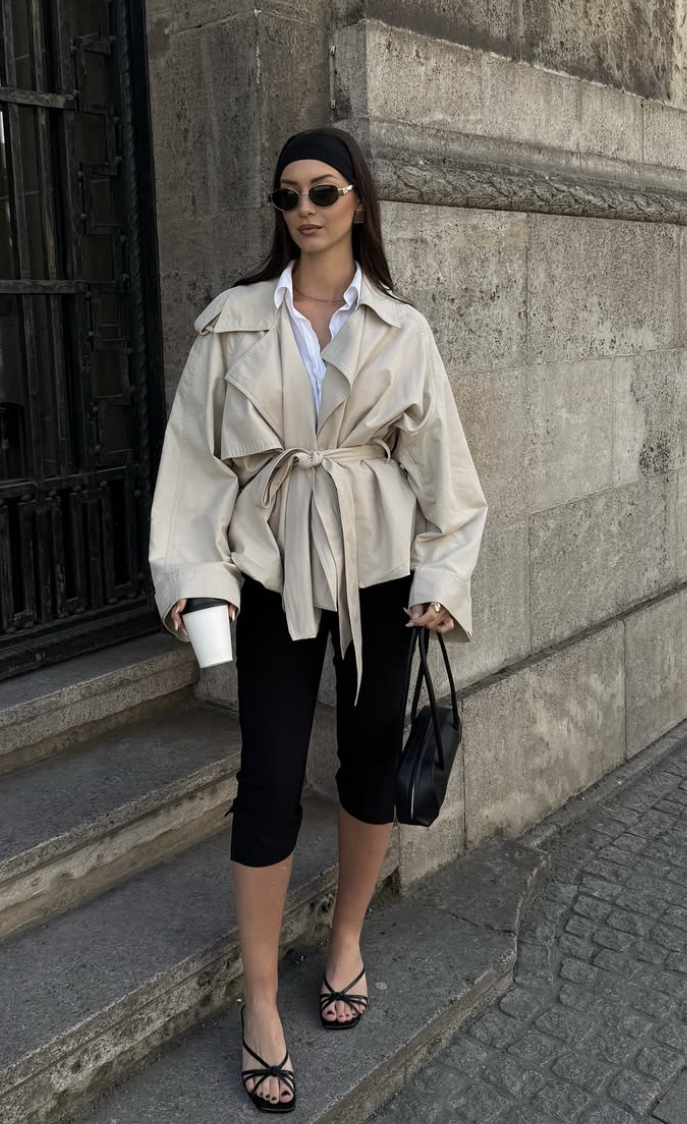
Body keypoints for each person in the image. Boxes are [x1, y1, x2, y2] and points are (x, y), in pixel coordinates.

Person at [148, 127, 487, 1112]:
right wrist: (193, 576)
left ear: (358, 203)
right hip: (273, 569)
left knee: (372, 754)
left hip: (381, 571)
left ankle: (345, 937)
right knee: (268, 772)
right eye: (288, 193)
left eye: (325, 190)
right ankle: (260, 998)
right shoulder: (233, 324)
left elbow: (450, 480)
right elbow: (194, 467)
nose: (305, 207)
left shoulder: (401, 329)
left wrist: (443, 574)